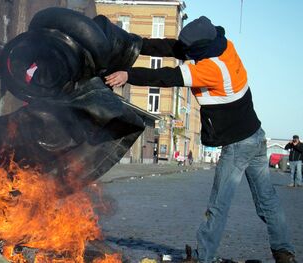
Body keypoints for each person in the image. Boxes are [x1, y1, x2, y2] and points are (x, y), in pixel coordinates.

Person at [104, 16, 296, 262]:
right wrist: (136, 44)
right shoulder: (226, 47)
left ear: (202, 50)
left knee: (218, 205)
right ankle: (284, 252)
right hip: (256, 137)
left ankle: (202, 257)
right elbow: (174, 48)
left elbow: (166, 77)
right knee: (267, 200)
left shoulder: (212, 70)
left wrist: (127, 75)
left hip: (238, 144)